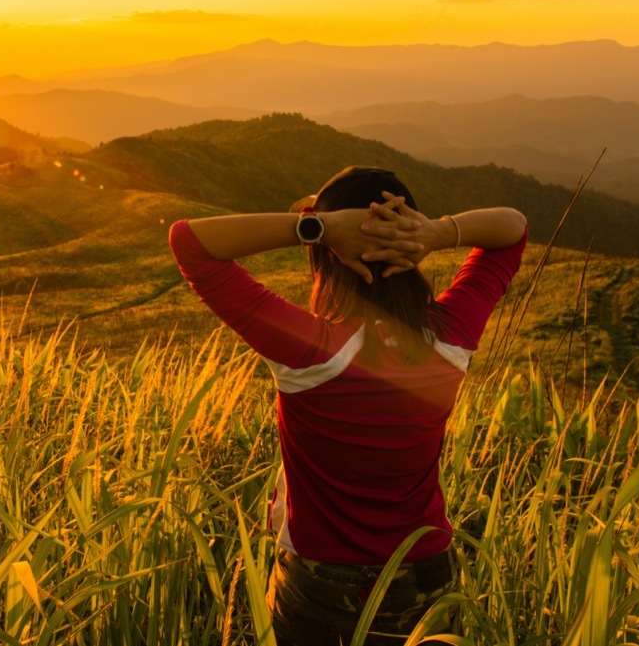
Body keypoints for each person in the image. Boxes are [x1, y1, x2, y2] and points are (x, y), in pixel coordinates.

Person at [168, 166, 527, 645]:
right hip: (426, 578)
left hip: (321, 588)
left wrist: (314, 228)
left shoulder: (308, 350)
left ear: (326, 255)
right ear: (412, 243)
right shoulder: (450, 336)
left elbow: (190, 243)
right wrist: (439, 232)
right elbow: (514, 229)